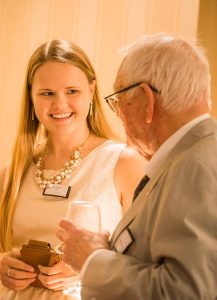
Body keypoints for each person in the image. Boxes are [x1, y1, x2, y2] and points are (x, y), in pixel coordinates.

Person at [56, 33, 217, 299]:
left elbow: (186, 292)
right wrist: (108, 253)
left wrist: (93, 260)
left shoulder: (195, 166)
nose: (118, 115)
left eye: (118, 101)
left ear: (145, 99)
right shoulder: (189, 155)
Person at [0, 39, 146, 300]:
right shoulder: (11, 172)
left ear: (91, 91)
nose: (60, 104)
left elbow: (152, 261)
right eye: (47, 93)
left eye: (72, 91)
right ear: (31, 96)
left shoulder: (124, 163)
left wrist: (91, 266)